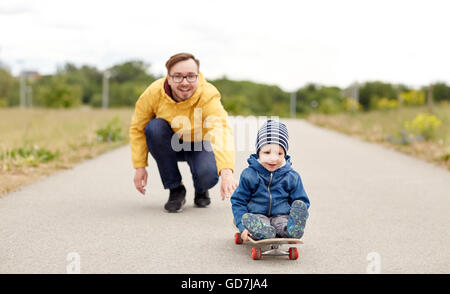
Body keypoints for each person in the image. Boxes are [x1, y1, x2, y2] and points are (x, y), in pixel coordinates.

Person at [129, 52, 237, 212]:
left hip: (200, 144)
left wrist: (227, 171)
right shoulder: (154, 93)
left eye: (191, 76)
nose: (185, 82)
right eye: (178, 76)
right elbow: (138, 128)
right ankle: (176, 189)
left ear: (198, 76)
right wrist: (139, 167)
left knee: (207, 175)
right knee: (154, 127)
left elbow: (220, 129)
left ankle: (201, 188)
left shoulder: (207, 94)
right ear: (169, 77)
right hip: (170, 144)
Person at [231, 120, 310, 241]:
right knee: (259, 223)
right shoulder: (249, 175)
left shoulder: (292, 177)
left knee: (282, 224)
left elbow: (301, 201)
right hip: (257, 215)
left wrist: (297, 212)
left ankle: (292, 229)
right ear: (258, 153)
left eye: (279, 153)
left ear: (285, 154)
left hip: (282, 215)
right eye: (267, 152)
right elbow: (239, 201)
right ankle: (261, 231)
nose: (273, 158)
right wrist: (242, 226)